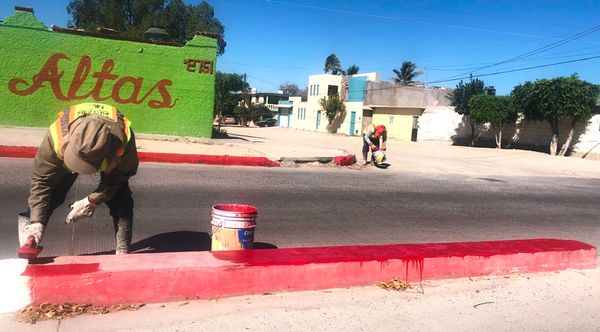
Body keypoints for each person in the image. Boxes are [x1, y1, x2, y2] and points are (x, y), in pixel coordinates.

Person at [19, 102, 139, 255]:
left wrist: (92, 200)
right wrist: (36, 221)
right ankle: (30, 235)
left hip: (111, 156)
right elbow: (42, 181)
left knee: (120, 199)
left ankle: (123, 250)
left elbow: (120, 176)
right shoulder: (56, 137)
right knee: (52, 197)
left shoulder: (123, 141)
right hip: (68, 151)